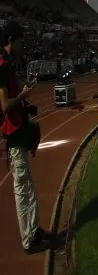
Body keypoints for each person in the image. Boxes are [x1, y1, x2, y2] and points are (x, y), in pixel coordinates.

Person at [0, 21, 48, 254]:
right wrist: (23, 94)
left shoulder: (7, 64)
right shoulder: (2, 66)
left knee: (28, 185)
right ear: (11, 40)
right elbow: (5, 106)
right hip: (13, 134)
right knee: (22, 189)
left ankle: (34, 229)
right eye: (20, 40)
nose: (22, 45)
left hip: (18, 131)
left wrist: (25, 102)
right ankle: (28, 240)